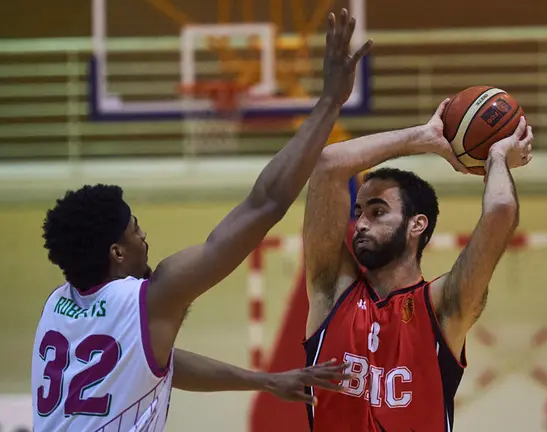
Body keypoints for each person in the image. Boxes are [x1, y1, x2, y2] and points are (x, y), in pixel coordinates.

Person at [30, 9, 372, 431]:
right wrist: (329, 102)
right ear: (116, 252)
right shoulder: (149, 299)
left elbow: (159, 361)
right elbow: (265, 203)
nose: (144, 236)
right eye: (135, 229)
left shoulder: (58, 305)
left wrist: (263, 381)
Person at [301, 98, 534, 431]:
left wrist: (496, 156)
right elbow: (327, 164)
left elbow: (500, 211)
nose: (361, 224)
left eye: (377, 212)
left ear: (417, 224)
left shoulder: (443, 306)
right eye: (359, 213)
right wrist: (424, 138)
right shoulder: (332, 291)